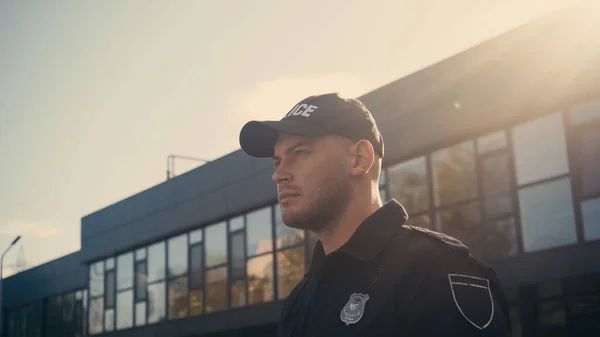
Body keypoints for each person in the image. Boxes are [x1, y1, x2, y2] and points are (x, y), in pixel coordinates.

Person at [238, 93, 512, 336]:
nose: (278, 174)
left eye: (299, 153)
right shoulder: (300, 299)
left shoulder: (435, 271)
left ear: (359, 159)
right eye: (277, 161)